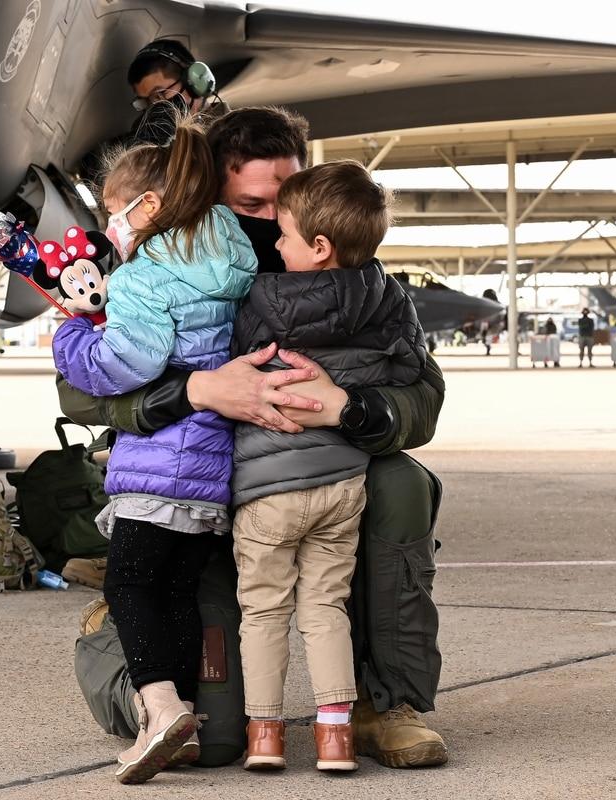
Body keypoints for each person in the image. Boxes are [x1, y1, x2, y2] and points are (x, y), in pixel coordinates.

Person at [61, 106, 448, 769]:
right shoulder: (177, 264)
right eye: (253, 204)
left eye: (286, 201)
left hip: (309, 465)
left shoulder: (343, 266)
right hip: (205, 475)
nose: (272, 221)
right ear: (215, 193)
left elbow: (424, 397)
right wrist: (197, 391)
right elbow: (82, 391)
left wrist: (348, 407)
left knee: (401, 483)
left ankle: (388, 701)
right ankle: (123, 659)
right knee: (213, 742)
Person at [51, 119, 256, 784]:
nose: (111, 224)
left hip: (156, 465)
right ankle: (188, 720)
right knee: (176, 592)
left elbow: (124, 365)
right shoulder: (229, 260)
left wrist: (73, 334)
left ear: (151, 206)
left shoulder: (145, 275)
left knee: (128, 586)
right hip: (210, 472)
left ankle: (159, 706)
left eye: (113, 211)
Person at [231, 161, 427, 774]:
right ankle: (335, 736)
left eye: (284, 234)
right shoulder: (388, 296)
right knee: (325, 608)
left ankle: (264, 734)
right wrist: (353, 401)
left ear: (317, 247)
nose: (275, 243)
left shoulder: (260, 296)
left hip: (268, 487)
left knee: (263, 610)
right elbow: (409, 372)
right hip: (341, 486)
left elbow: (234, 363)